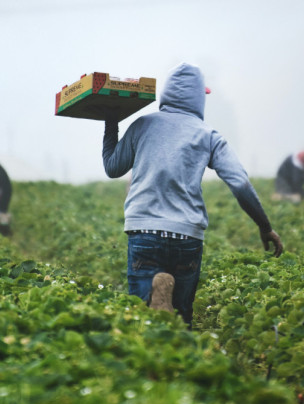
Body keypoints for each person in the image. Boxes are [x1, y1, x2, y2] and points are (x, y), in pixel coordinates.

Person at [100, 62, 283, 329]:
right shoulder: (208, 135)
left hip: (144, 231)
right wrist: (265, 226)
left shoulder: (142, 125)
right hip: (186, 235)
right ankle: (176, 334)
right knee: (183, 320)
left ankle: (155, 300)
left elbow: (112, 168)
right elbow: (240, 183)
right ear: (200, 98)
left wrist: (110, 123)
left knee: (139, 321)